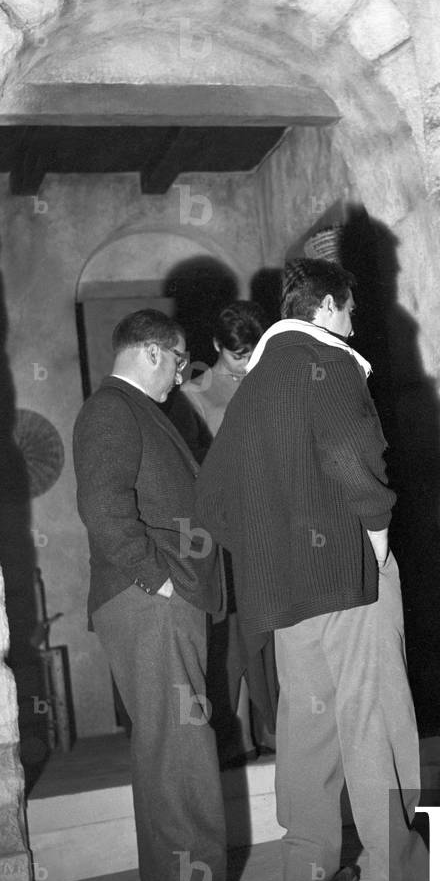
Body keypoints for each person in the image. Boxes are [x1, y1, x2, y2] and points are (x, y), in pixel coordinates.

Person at [196, 258, 440, 881]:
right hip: (348, 573)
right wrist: (376, 531)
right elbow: (352, 459)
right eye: (350, 309)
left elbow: (210, 497)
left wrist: (269, 551)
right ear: (328, 306)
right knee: (375, 717)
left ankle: (306, 870)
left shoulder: (255, 381)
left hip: (287, 590)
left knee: (308, 722)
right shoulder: (327, 363)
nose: (354, 322)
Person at [72, 309, 262, 881]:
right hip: (149, 599)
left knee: (164, 744)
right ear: (153, 352)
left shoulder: (132, 409)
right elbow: (103, 506)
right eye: (179, 361)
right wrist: (156, 578)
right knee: (181, 740)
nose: (182, 376)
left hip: (153, 597)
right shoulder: (112, 409)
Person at [180, 301, 278, 766]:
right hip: (226, 529)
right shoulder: (193, 394)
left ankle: (275, 730)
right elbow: (196, 470)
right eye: (238, 354)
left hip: (271, 522)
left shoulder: (268, 380)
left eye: (253, 352)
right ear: (218, 345)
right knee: (235, 633)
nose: (245, 362)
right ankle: (237, 738)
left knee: (274, 627)